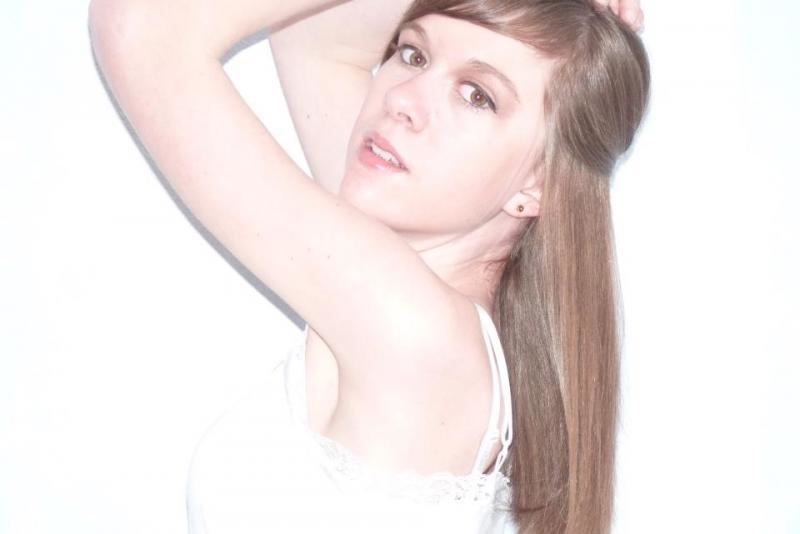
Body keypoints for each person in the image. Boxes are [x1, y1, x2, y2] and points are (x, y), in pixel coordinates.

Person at [88, 0, 649, 532]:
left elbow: (142, 29)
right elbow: (315, 37)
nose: (403, 97)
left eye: (476, 96)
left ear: (540, 184)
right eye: (413, 54)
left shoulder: (413, 330)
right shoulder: (419, 299)